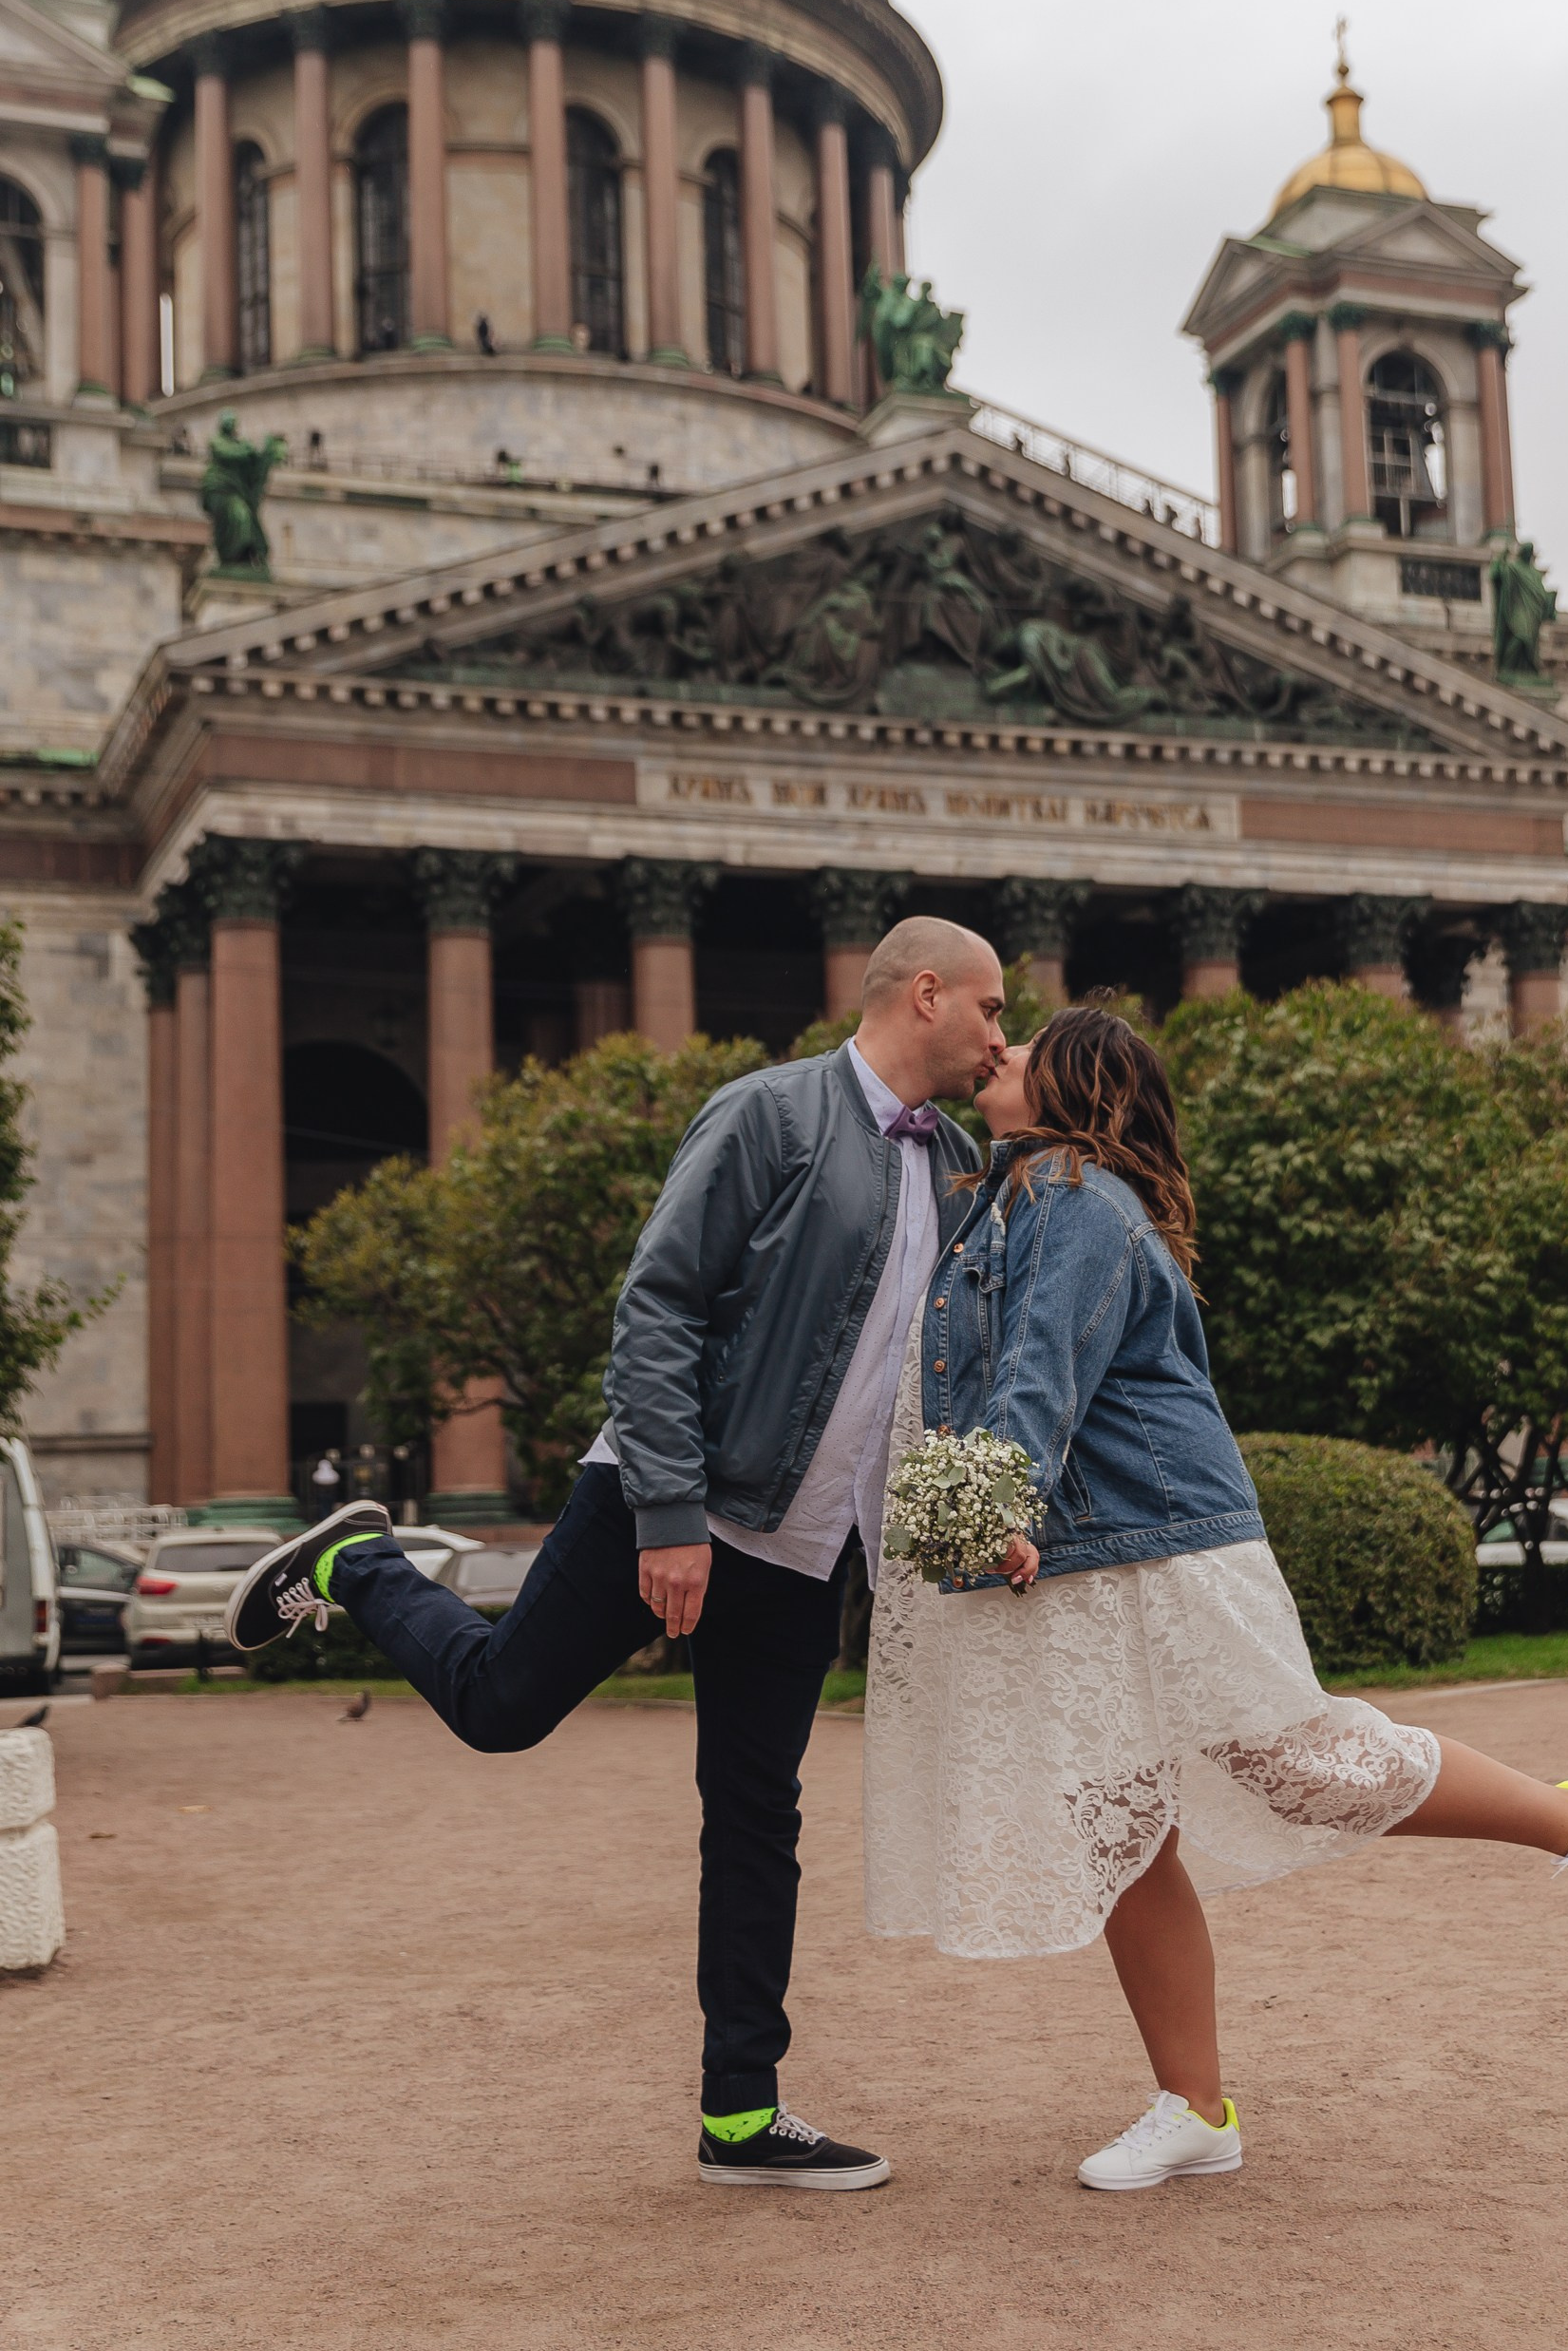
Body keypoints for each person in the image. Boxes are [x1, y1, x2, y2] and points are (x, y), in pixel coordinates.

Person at [225, 917, 1008, 2190]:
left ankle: (741, 2115)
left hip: (810, 1552)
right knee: (500, 1708)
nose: (998, 1033)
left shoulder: (955, 1161)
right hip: (672, 1501)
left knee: (756, 1820)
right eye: (988, 1008)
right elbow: (657, 1305)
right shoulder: (771, 1116)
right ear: (927, 995)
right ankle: (355, 1566)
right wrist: (668, 1515)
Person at [864, 1006, 1568, 2193]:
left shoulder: (1074, 1196)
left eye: (1025, 1044)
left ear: (1077, 1088)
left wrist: (997, 1507)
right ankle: (1195, 2109)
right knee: (1119, 1822)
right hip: (1088, 1550)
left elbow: (1043, 1366)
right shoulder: (1006, 1193)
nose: (1000, 1052)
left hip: (1159, 1536)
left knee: (1301, 1762)